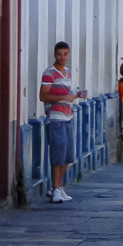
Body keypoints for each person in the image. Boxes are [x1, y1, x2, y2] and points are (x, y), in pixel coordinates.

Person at [40, 41, 86, 203]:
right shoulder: (49, 73)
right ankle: (56, 189)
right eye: (59, 54)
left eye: (65, 54)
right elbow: (43, 96)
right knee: (57, 156)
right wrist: (64, 97)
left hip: (68, 117)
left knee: (68, 156)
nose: (62, 57)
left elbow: (66, 94)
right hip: (55, 119)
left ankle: (58, 187)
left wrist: (76, 94)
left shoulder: (67, 73)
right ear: (54, 54)